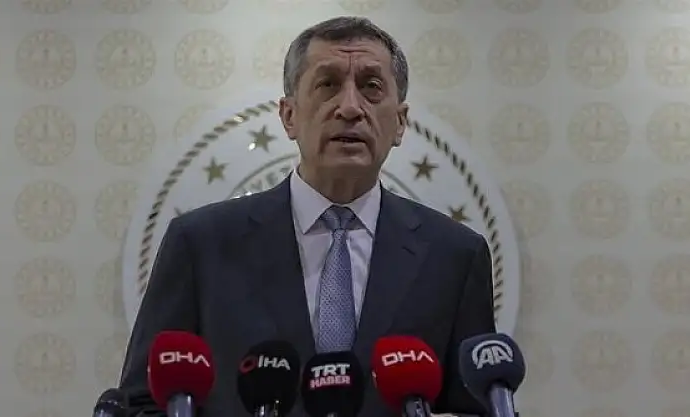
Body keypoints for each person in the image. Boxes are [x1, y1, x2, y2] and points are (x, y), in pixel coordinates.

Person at [118, 16, 495, 417]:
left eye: (371, 87)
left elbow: (475, 407)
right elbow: (142, 405)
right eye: (327, 84)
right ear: (289, 116)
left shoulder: (455, 256)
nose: (350, 108)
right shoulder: (200, 244)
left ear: (400, 123)